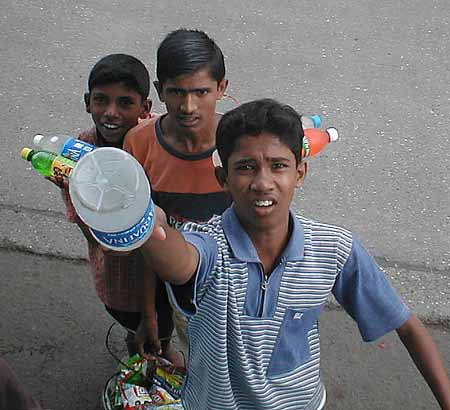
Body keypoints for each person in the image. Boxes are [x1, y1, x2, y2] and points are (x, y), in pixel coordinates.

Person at [137, 99, 450, 409]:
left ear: (300, 173)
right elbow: (177, 260)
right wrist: (146, 226)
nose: (262, 183)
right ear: (224, 180)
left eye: (278, 166)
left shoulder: (333, 248)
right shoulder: (207, 245)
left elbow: (406, 324)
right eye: (246, 167)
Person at [58, 54, 182, 365]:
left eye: (125, 103)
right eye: (101, 100)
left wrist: (151, 313)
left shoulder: (155, 146)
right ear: (88, 102)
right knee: (144, 340)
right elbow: (103, 242)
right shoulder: (77, 155)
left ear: (146, 108)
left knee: (160, 339)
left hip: (164, 277)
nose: (111, 113)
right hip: (119, 285)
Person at [123, 28, 231, 356]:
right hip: (163, 279)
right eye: (176, 92)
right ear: (159, 90)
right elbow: (142, 235)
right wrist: (150, 315)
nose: (187, 106)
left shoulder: (239, 143)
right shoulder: (139, 143)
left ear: (221, 88)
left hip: (226, 287)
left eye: (201, 92)